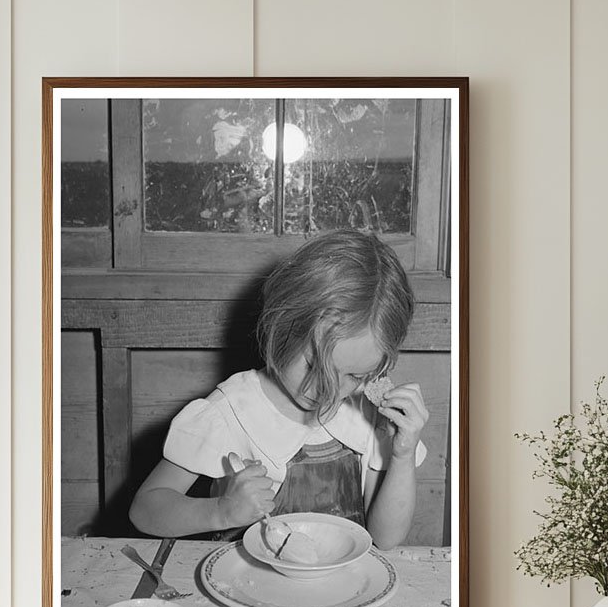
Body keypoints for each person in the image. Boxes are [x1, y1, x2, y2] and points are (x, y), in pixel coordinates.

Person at [128, 229, 428, 550]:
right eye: (313, 366)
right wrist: (221, 512)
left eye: (354, 376)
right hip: (247, 590)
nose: (328, 390)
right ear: (282, 327)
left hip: (339, 593)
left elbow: (386, 539)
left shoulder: (366, 415)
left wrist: (402, 454)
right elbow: (145, 510)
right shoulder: (231, 411)